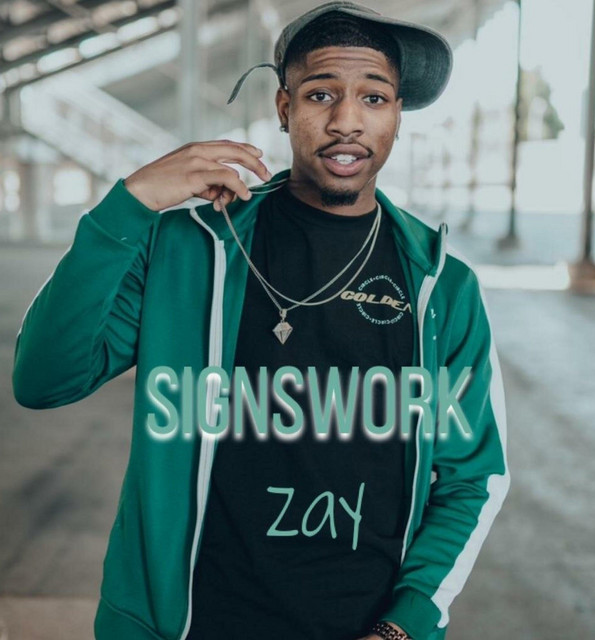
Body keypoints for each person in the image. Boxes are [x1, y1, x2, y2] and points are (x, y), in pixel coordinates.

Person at [12, 2, 510, 639]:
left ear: (396, 115)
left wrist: (406, 624)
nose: (346, 121)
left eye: (374, 97)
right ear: (284, 107)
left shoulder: (443, 285)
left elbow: (473, 477)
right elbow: (44, 379)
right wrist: (126, 209)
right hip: (184, 625)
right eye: (320, 94)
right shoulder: (186, 248)